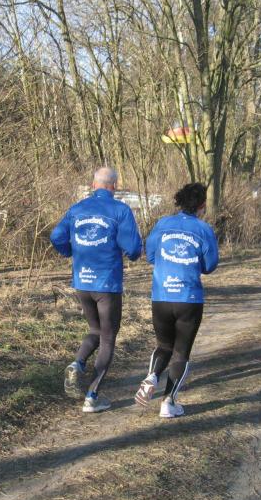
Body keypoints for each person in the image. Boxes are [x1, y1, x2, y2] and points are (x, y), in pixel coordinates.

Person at [50, 167, 142, 413]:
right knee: (108, 337)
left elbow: (56, 236)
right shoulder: (120, 210)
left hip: (82, 282)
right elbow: (133, 247)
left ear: (93, 185)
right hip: (107, 284)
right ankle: (92, 396)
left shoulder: (77, 209)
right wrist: (132, 254)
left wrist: (70, 251)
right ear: (114, 186)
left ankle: (78, 363)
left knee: (95, 330)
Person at [134, 183, 218, 418]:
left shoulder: (162, 224)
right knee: (181, 353)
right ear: (202, 205)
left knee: (163, 346)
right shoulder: (204, 229)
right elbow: (210, 265)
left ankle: (152, 375)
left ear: (179, 202)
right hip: (189, 299)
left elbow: (150, 255)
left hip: (161, 296)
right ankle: (168, 403)